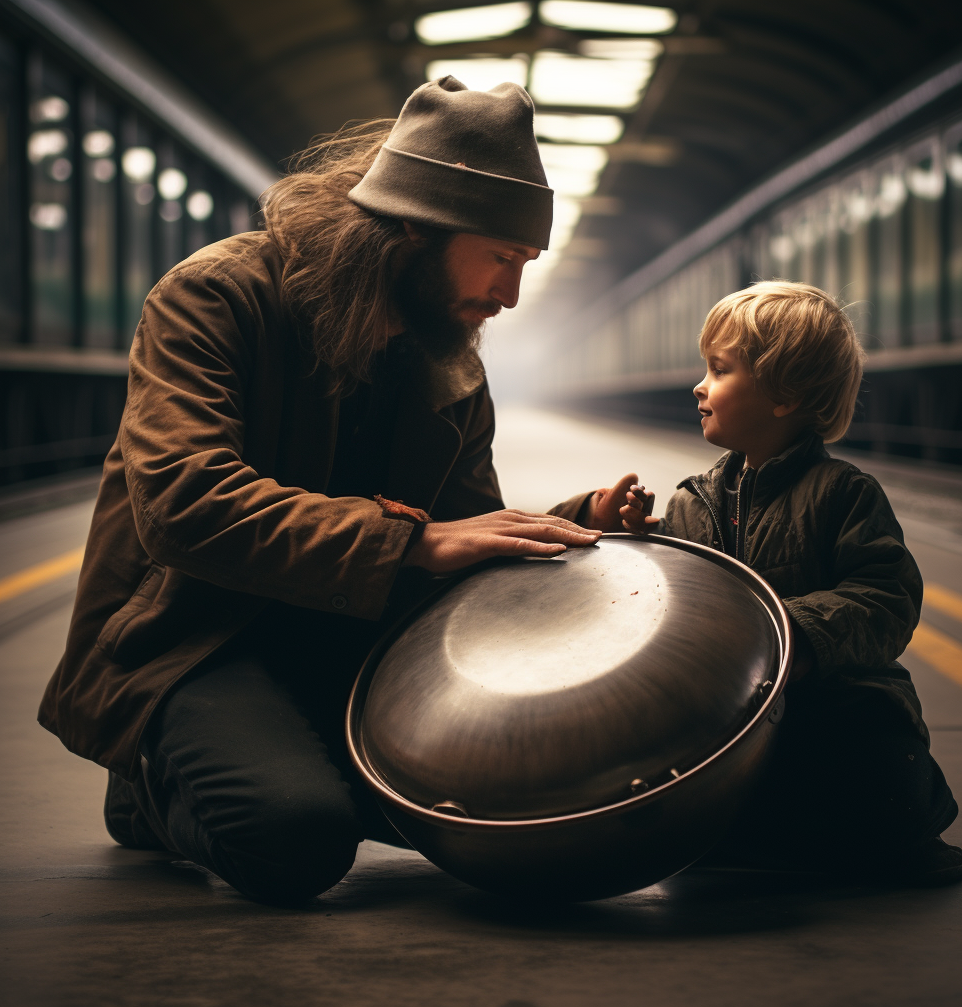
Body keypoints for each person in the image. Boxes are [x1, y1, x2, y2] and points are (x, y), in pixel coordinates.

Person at [38, 78, 618, 905]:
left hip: (341, 637)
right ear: (416, 229)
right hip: (190, 639)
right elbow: (183, 502)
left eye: (525, 265)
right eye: (500, 256)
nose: (510, 295)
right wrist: (409, 541)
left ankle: (272, 756)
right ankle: (147, 788)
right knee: (297, 841)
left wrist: (564, 525)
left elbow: (460, 527)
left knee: (508, 798)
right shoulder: (216, 296)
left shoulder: (447, 353)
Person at [570, 280, 962, 884]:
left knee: (858, 740)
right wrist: (641, 542)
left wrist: (798, 637)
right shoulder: (693, 500)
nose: (698, 385)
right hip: (732, 705)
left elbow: (885, 596)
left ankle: (892, 838)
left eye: (718, 369)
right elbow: (675, 595)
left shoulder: (843, 493)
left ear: (784, 396)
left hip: (819, 692)